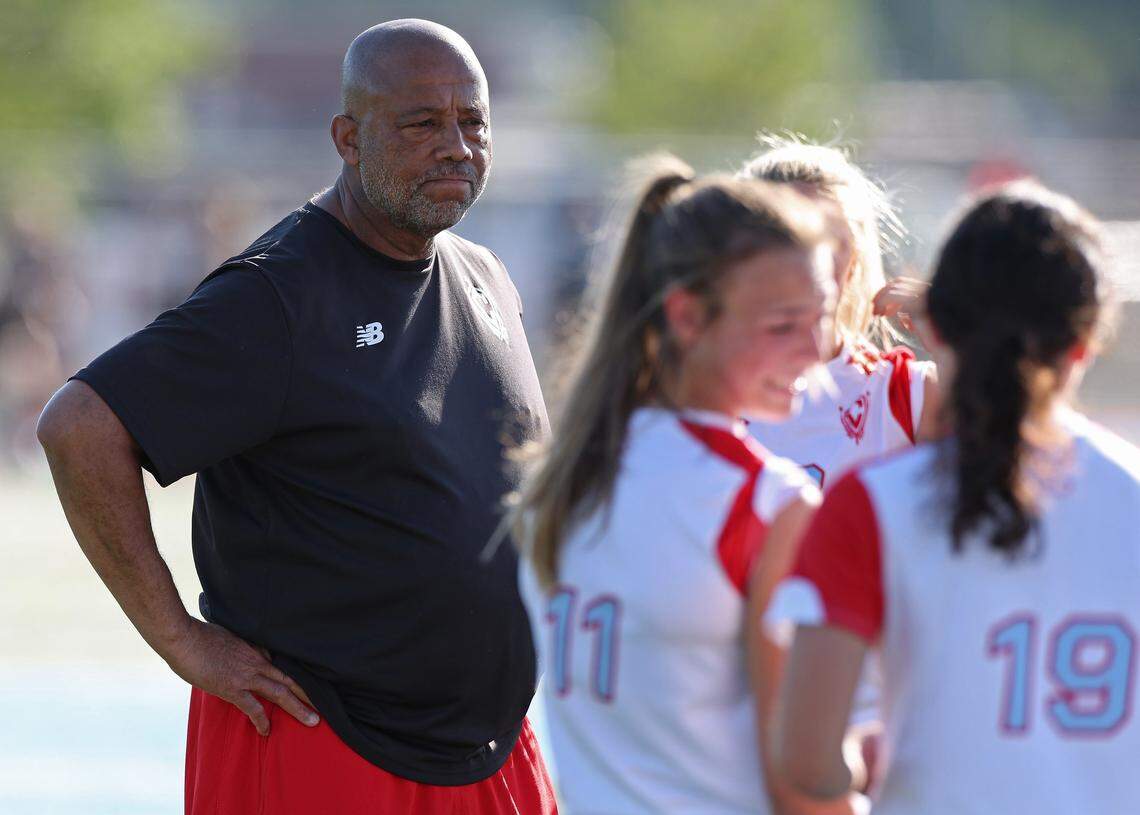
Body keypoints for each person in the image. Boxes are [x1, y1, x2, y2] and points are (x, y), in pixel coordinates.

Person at [36, 19, 556, 814]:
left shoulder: (484, 274)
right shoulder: (278, 295)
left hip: (487, 744)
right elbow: (79, 425)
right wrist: (180, 636)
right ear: (349, 137)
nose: (456, 145)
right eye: (422, 123)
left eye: (473, 121)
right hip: (325, 738)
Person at [767, 182, 1140, 813]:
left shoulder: (871, 503)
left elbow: (805, 760)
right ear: (1085, 347)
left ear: (935, 324)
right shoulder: (1131, 495)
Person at [516, 154, 863, 814]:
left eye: (820, 316)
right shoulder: (764, 499)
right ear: (686, 317)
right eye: (783, 325)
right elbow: (800, 781)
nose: (816, 349)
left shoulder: (561, 480)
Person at [738, 137, 939, 491]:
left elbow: (1035, 455)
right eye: (788, 236)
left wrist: (957, 339)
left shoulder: (904, 394)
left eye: (830, 240)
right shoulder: (695, 392)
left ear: (856, 256)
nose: (811, 260)